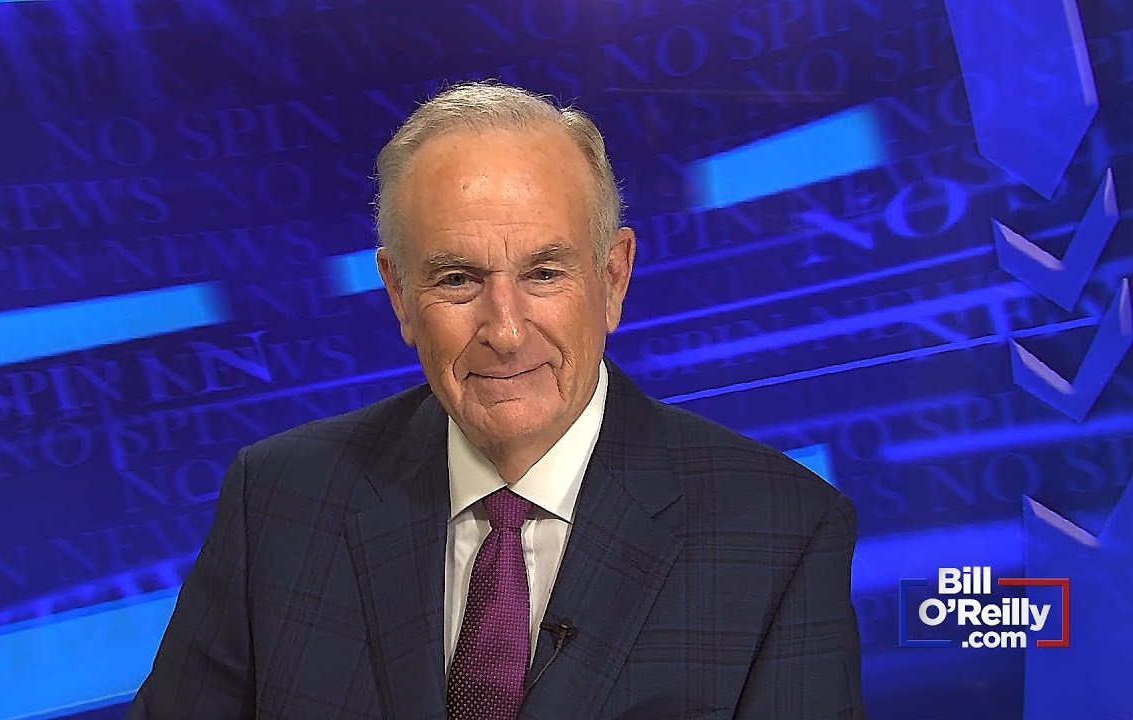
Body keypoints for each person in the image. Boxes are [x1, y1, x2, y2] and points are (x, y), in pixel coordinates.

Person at [128, 80, 865, 720]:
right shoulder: (280, 499)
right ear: (399, 295)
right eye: (458, 280)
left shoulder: (779, 530)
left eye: (544, 273)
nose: (506, 332)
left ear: (612, 278)